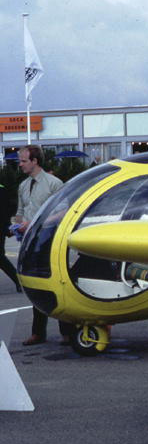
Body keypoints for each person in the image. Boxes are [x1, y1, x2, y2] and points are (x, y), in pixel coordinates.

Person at [16, 145, 68, 346]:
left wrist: (36, 222)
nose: (20, 164)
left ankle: (67, 331)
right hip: (30, 243)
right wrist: (17, 223)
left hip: (50, 241)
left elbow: (63, 211)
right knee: (35, 286)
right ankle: (38, 332)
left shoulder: (54, 184)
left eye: (23, 161)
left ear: (35, 161)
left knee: (57, 284)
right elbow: (21, 211)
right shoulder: (23, 185)